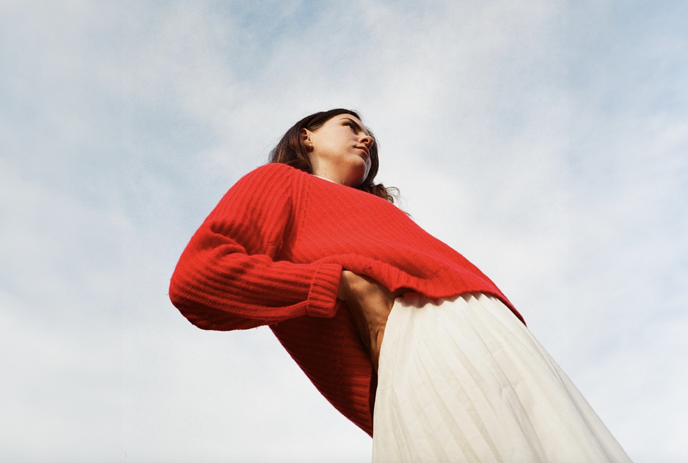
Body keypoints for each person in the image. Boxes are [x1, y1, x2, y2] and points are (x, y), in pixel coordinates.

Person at [169, 109, 632, 462]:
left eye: (366, 133)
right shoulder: (280, 181)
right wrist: (336, 283)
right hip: (421, 339)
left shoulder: (377, 210)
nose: (365, 137)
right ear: (306, 136)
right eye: (349, 125)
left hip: (494, 333)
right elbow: (199, 277)